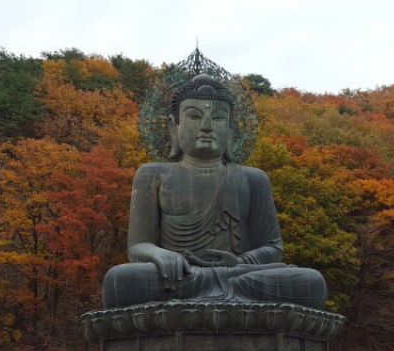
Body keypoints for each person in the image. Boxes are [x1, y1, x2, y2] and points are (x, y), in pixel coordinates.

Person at [101, 74, 328, 309]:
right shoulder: (153, 174)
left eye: (219, 118)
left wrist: (240, 262)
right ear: (172, 126)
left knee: (311, 282)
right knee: (119, 281)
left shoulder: (253, 178)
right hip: (180, 278)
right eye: (194, 116)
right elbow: (138, 246)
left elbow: (273, 247)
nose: (207, 126)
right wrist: (161, 255)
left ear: (231, 130)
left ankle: (217, 296)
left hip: (240, 275)